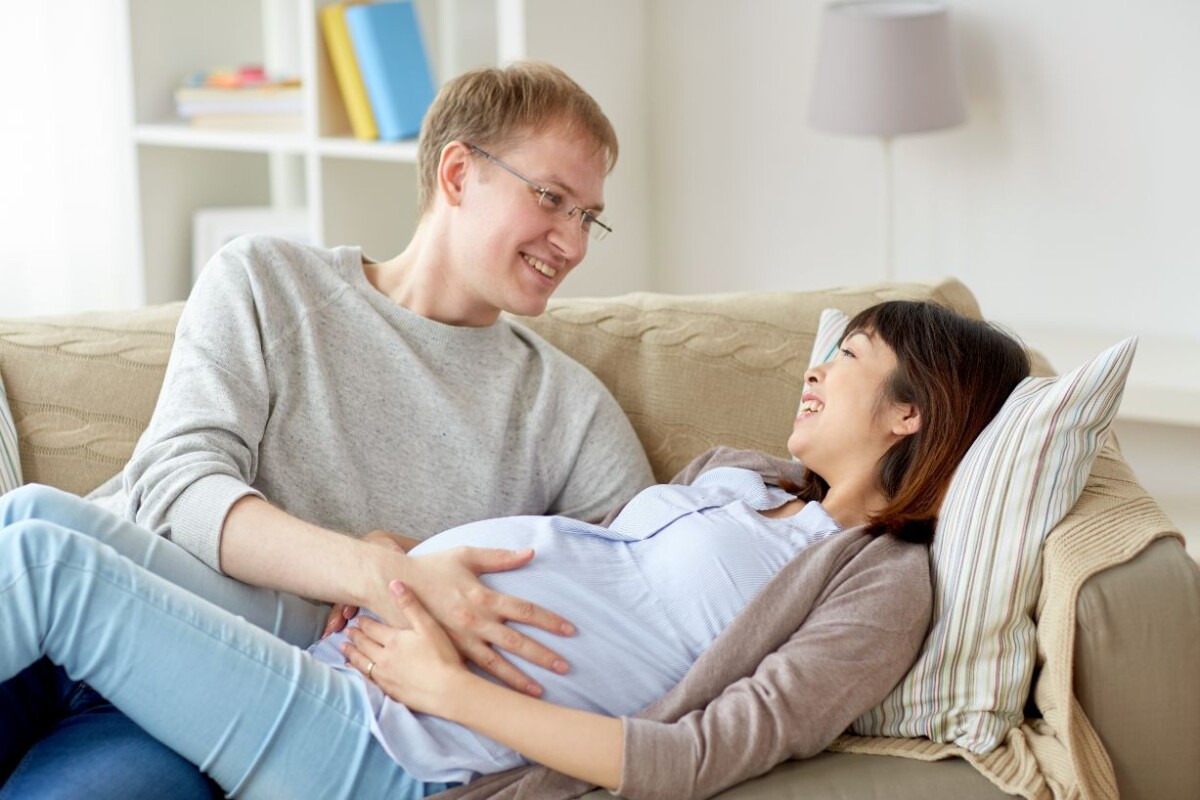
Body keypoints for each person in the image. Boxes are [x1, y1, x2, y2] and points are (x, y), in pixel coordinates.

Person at [0, 300, 1031, 799]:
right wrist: (395, 566)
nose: (813, 374)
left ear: (909, 414)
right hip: (351, 634)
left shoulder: (883, 582)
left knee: (49, 568)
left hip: (391, 740)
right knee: (37, 516)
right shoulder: (753, 482)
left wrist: (446, 687)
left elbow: (702, 752)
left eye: (846, 360)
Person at [0, 61, 653, 798]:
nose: (574, 243)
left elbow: (635, 609)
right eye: (552, 198)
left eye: (588, 216)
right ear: (459, 174)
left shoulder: (567, 412)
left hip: (184, 710)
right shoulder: (269, 280)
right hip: (56, 601)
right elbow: (174, 489)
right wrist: (376, 571)